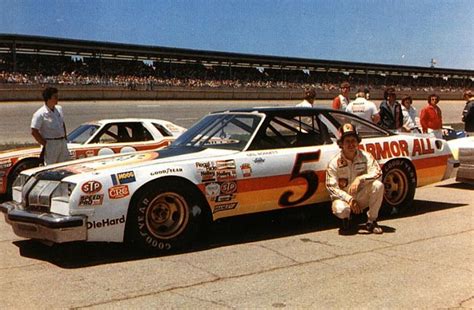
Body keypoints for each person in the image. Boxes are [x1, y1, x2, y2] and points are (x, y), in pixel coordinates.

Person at [326, 123, 384, 235]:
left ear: (358, 142)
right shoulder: (334, 163)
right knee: (341, 209)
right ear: (341, 144)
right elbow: (331, 187)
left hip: (361, 196)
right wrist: (349, 199)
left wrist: (360, 179)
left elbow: (378, 172)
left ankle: (371, 221)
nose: (351, 144)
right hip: (344, 199)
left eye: (353, 140)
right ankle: (346, 219)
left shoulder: (366, 157)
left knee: (378, 185)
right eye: (347, 141)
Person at [31, 87, 70, 165]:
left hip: (62, 142)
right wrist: (45, 144)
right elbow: (34, 131)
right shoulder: (40, 114)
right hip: (51, 143)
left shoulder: (59, 109)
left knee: (64, 165)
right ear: (48, 98)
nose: (57, 98)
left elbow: (62, 123)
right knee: (51, 166)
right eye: (55, 97)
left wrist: (65, 137)